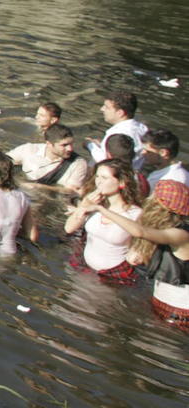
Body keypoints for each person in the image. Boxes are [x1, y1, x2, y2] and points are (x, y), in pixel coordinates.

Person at [118, 180, 189, 325]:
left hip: (181, 309)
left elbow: (139, 232)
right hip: (163, 301)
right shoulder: (161, 228)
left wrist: (101, 209)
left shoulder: (181, 233)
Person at [65, 159, 143, 284]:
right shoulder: (94, 204)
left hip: (113, 277)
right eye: (97, 176)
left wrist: (137, 252)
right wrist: (84, 205)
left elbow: (144, 246)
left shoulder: (135, 214)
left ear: (122, 183)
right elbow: (69, 228)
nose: (98, 181)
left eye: (104, 178)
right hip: (83, 267)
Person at [0, 122, 88, 192]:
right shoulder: (29, 149)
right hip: (21, 192)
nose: (70, 148)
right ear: (49, 144)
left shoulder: (78, 163)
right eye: (64, 145)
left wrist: (39, 187)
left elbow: (71, 191)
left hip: (50, 201)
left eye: (71, 144)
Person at [87, 91, 147, 161]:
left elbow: (107, 161)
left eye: (107, 107)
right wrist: (102, 145)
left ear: (120, 113)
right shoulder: (142, 128)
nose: (102, 109)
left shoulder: (118, 133)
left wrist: (90, 145)